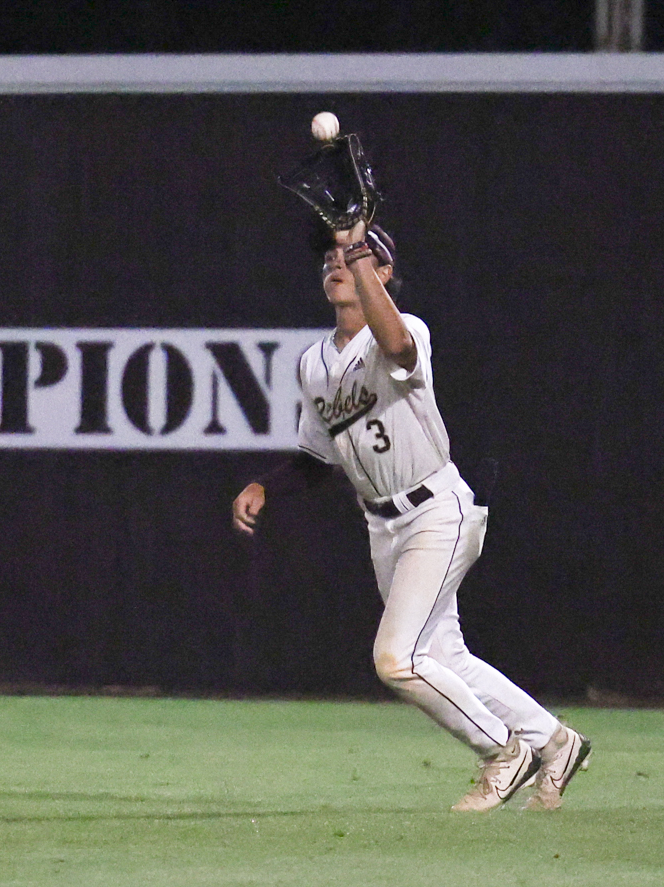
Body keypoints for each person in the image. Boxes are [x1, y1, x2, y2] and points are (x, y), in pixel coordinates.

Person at [232, 219, 589, 812]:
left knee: (396, 659)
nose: (335, 264)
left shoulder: (404, 331)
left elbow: (396, 347)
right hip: (382, 525)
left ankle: (505, 751)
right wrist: (265, 487)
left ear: (383, 270)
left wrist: (365, 260)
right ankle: (554, 742)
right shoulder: (313, 363)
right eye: (329, 258)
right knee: (443, 658)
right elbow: (316, 460)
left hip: (436, 511)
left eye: (350, 255)